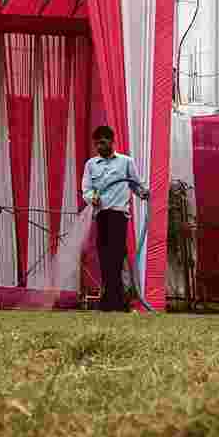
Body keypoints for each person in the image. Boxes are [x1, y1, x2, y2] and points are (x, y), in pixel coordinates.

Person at [81, 125, 149, 312]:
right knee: (104, 258)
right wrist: (91, 197)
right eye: (96, 144)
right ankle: (114, 300)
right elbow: (86, 189)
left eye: (103, 143)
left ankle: (113, 300)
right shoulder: (91, 165)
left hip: (119, 215)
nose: (99, 147)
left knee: (116, 257)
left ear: (111, 141)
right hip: (101, 214)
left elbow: (136, 185)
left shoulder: (126, 162)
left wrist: (143, 193)